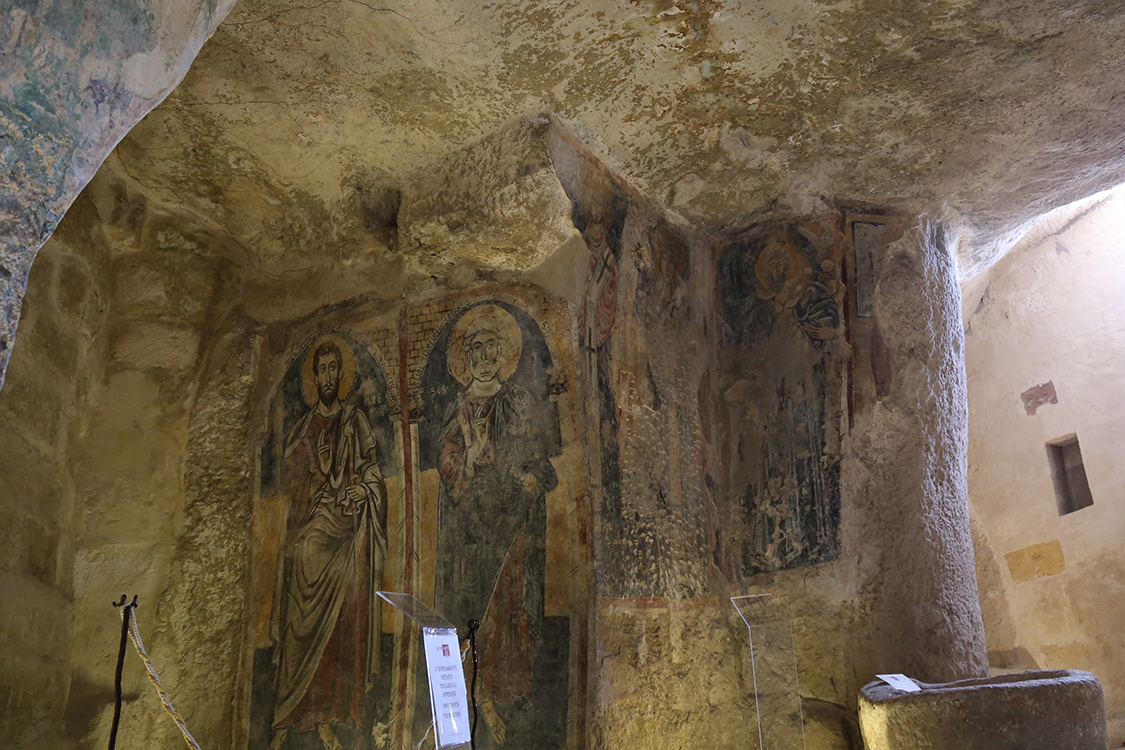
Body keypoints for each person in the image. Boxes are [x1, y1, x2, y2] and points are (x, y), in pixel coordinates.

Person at [435, 310, 558, 744]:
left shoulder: (520, 402)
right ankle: (479, 693)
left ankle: (512, 688)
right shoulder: (458, 410)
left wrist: (530, 477)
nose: (485, 359)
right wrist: (467, 459)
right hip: (471, 531)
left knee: (511, 608)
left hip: (514, 523)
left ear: (504, 354)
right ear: (465, 359)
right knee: (477, 610)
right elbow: (448, 469)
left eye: (492, 349)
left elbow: (542, 464)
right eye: (476, 350)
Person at [273, 338, 388, 737]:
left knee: (347, 612)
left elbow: (373, 472)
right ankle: (297, 710)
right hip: (313, 531)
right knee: (304, 556)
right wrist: (316, 473)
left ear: (342, 374)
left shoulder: (355, 420)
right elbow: (290, 488)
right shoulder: (303, 429)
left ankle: (334, 711)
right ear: (313, 377)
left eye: (332, 369)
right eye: (319, 370)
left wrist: (365, 491)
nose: (326, 377)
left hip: (348, 532)